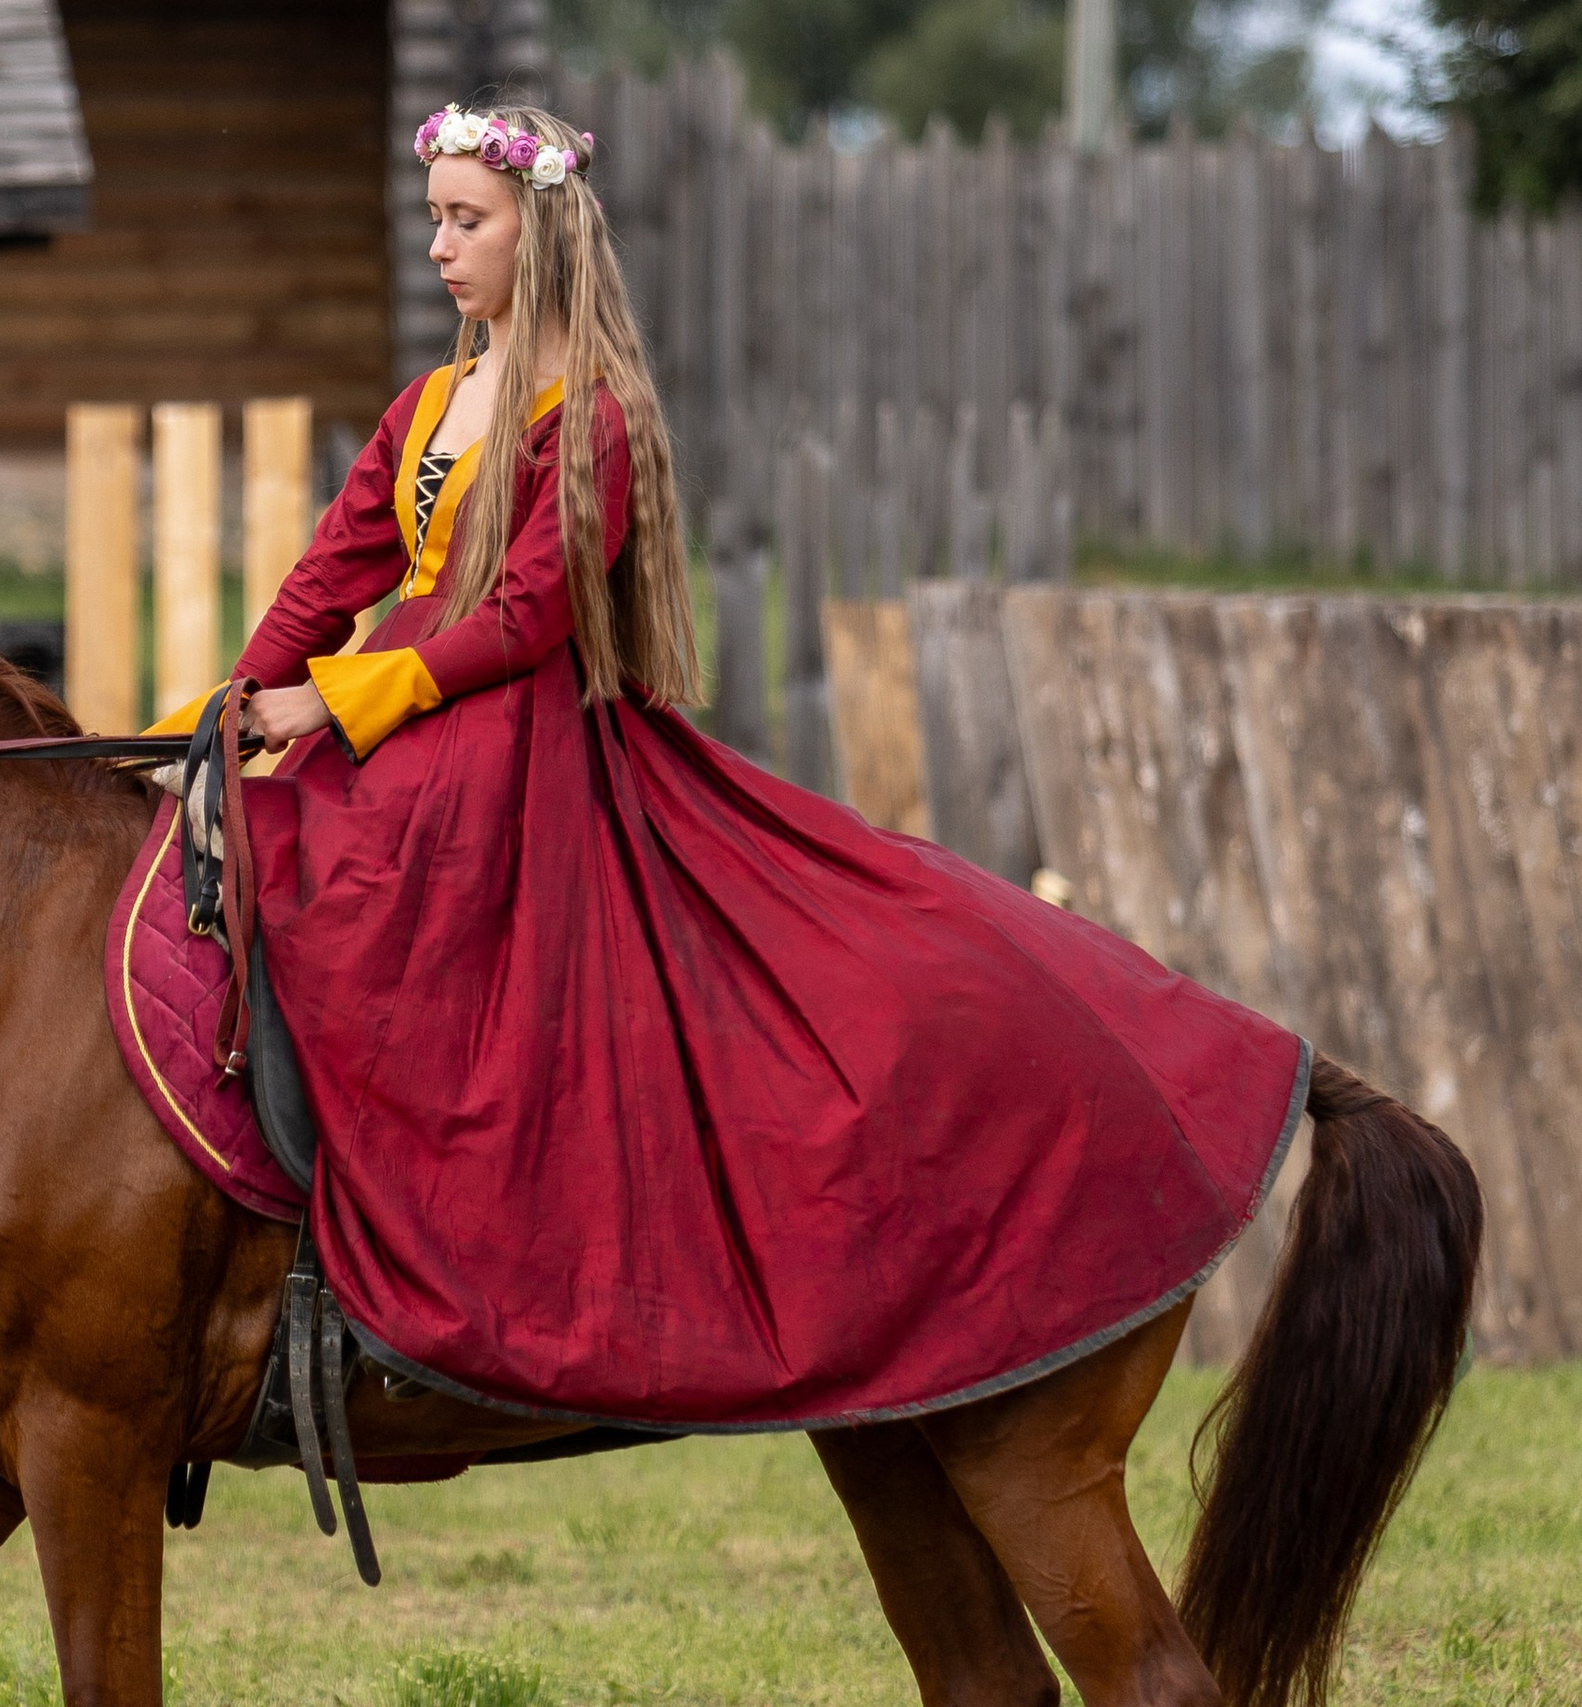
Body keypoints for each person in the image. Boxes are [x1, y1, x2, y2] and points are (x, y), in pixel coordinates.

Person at [153, 104, 1306, 1431]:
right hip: (397, 717)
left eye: (468, 221)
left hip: (499, 739)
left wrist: (341, 699)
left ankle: (407, 1264)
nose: (439, 248)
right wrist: (242, 694)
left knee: (350, 907)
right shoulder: (430, 405)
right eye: (433, 219)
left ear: (546, 231)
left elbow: (527, 619)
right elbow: (334, 568)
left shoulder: (590, 414)